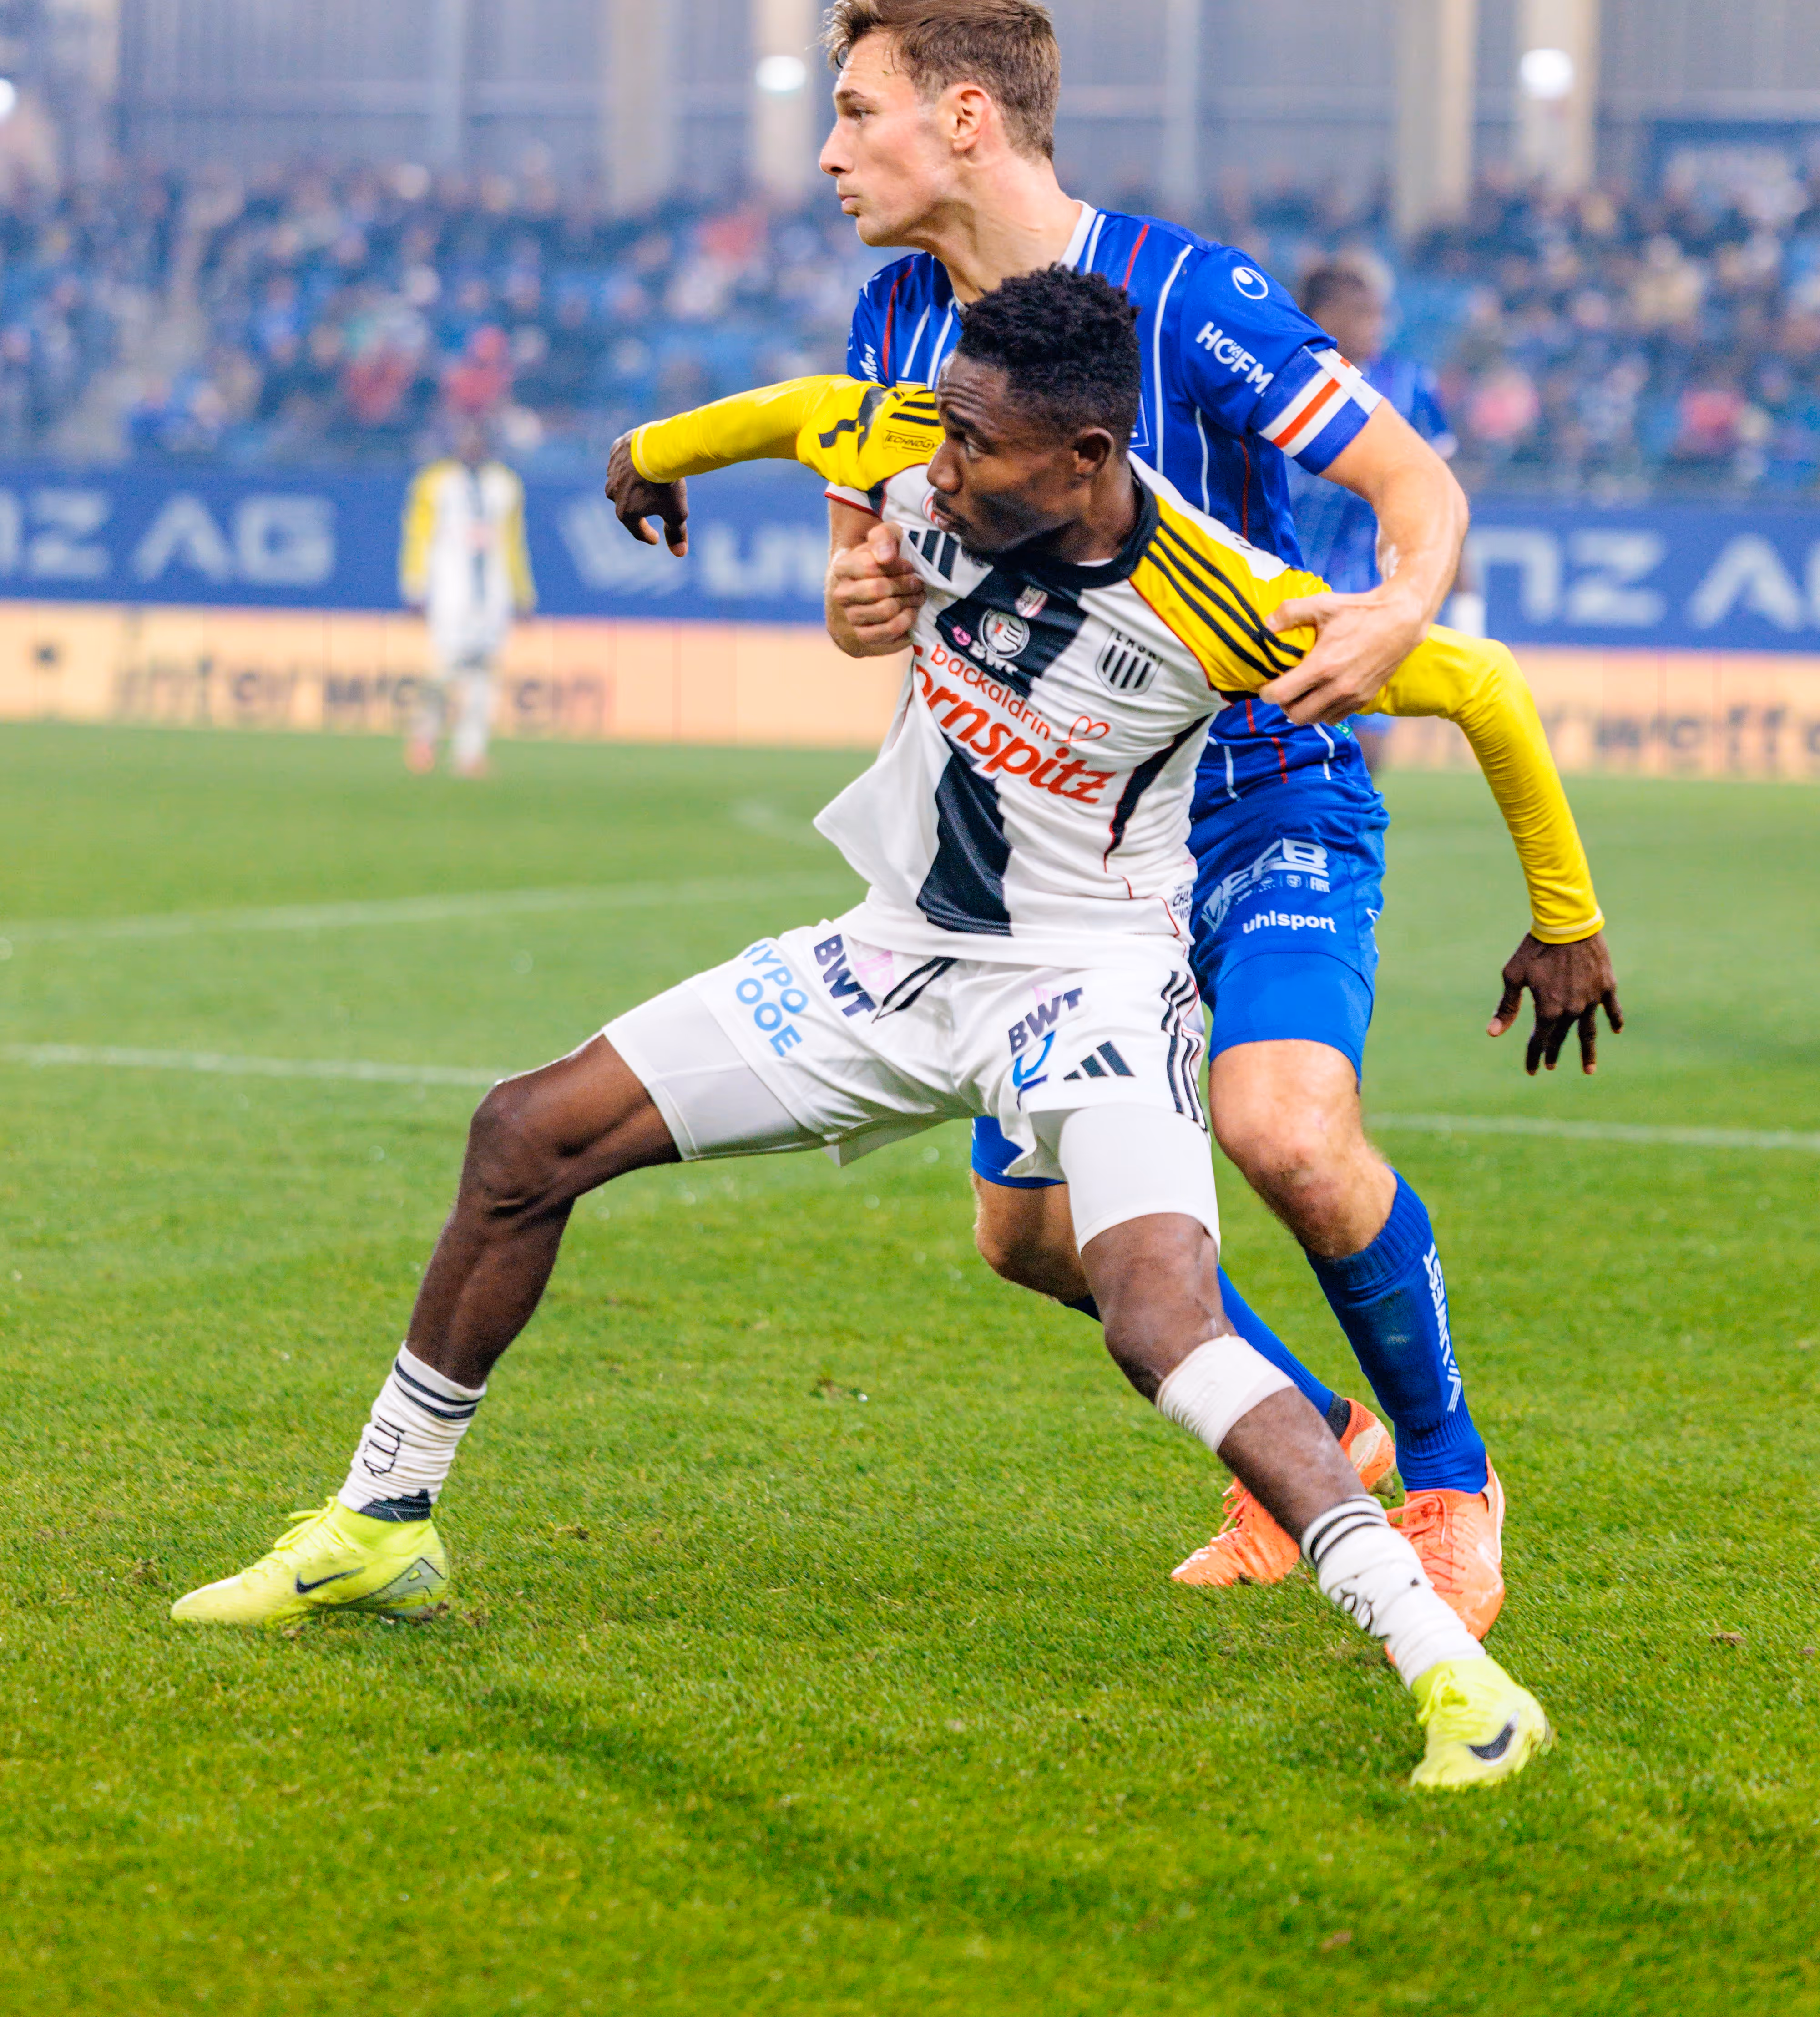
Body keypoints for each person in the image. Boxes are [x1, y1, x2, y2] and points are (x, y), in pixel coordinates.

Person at [172, 271, 1552, 1792]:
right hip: (887, 959)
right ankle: (379, 1529)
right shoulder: (917, 434)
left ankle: (1444, 1663)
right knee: (525, 1133)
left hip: (1087, 982)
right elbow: (787, 415)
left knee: (1160, 1314)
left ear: (1090, 457)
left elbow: (1479, 685)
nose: (936, 473)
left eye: (980, 451)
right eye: (942, 432)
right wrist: (652, 454)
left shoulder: (1224, 603)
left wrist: (1566, 917)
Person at [811, 0, 1619, 1630]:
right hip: (1053, 854)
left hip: (1260, 798)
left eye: (856, 109)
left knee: (1280, 1130)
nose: (829, 151)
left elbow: (1413, 483)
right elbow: (858, 560)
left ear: (964, 117)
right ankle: (1298, 1439)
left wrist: (1396, 608)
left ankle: (1451, 1483)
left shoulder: (1189, 295)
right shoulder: (888, 323)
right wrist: (856, 595)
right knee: (1033, 1237)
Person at [1288, 259, 1481, 784]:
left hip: (1365, 593)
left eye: (1378, 315)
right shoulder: (1277, 375)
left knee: (1368, 750)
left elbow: (1444, 496)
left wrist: (1467, 602)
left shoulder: (1408, 384)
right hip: (1278, 586)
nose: (1375, 327)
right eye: (1361, 315)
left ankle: (1341, 846)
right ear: (1321, 317)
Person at [399, 416, 536, 777]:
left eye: (477, 437)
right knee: (443, 668)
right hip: (450, 591)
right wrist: (415, 585)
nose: (471, 444)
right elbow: (419, 535)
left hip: (493, 594)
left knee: (484, 676)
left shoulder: (505, 485)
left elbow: (513, 542)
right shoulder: (434, 483)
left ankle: (470, 754)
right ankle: (424, 738)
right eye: (464, 437)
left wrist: (523, 593)